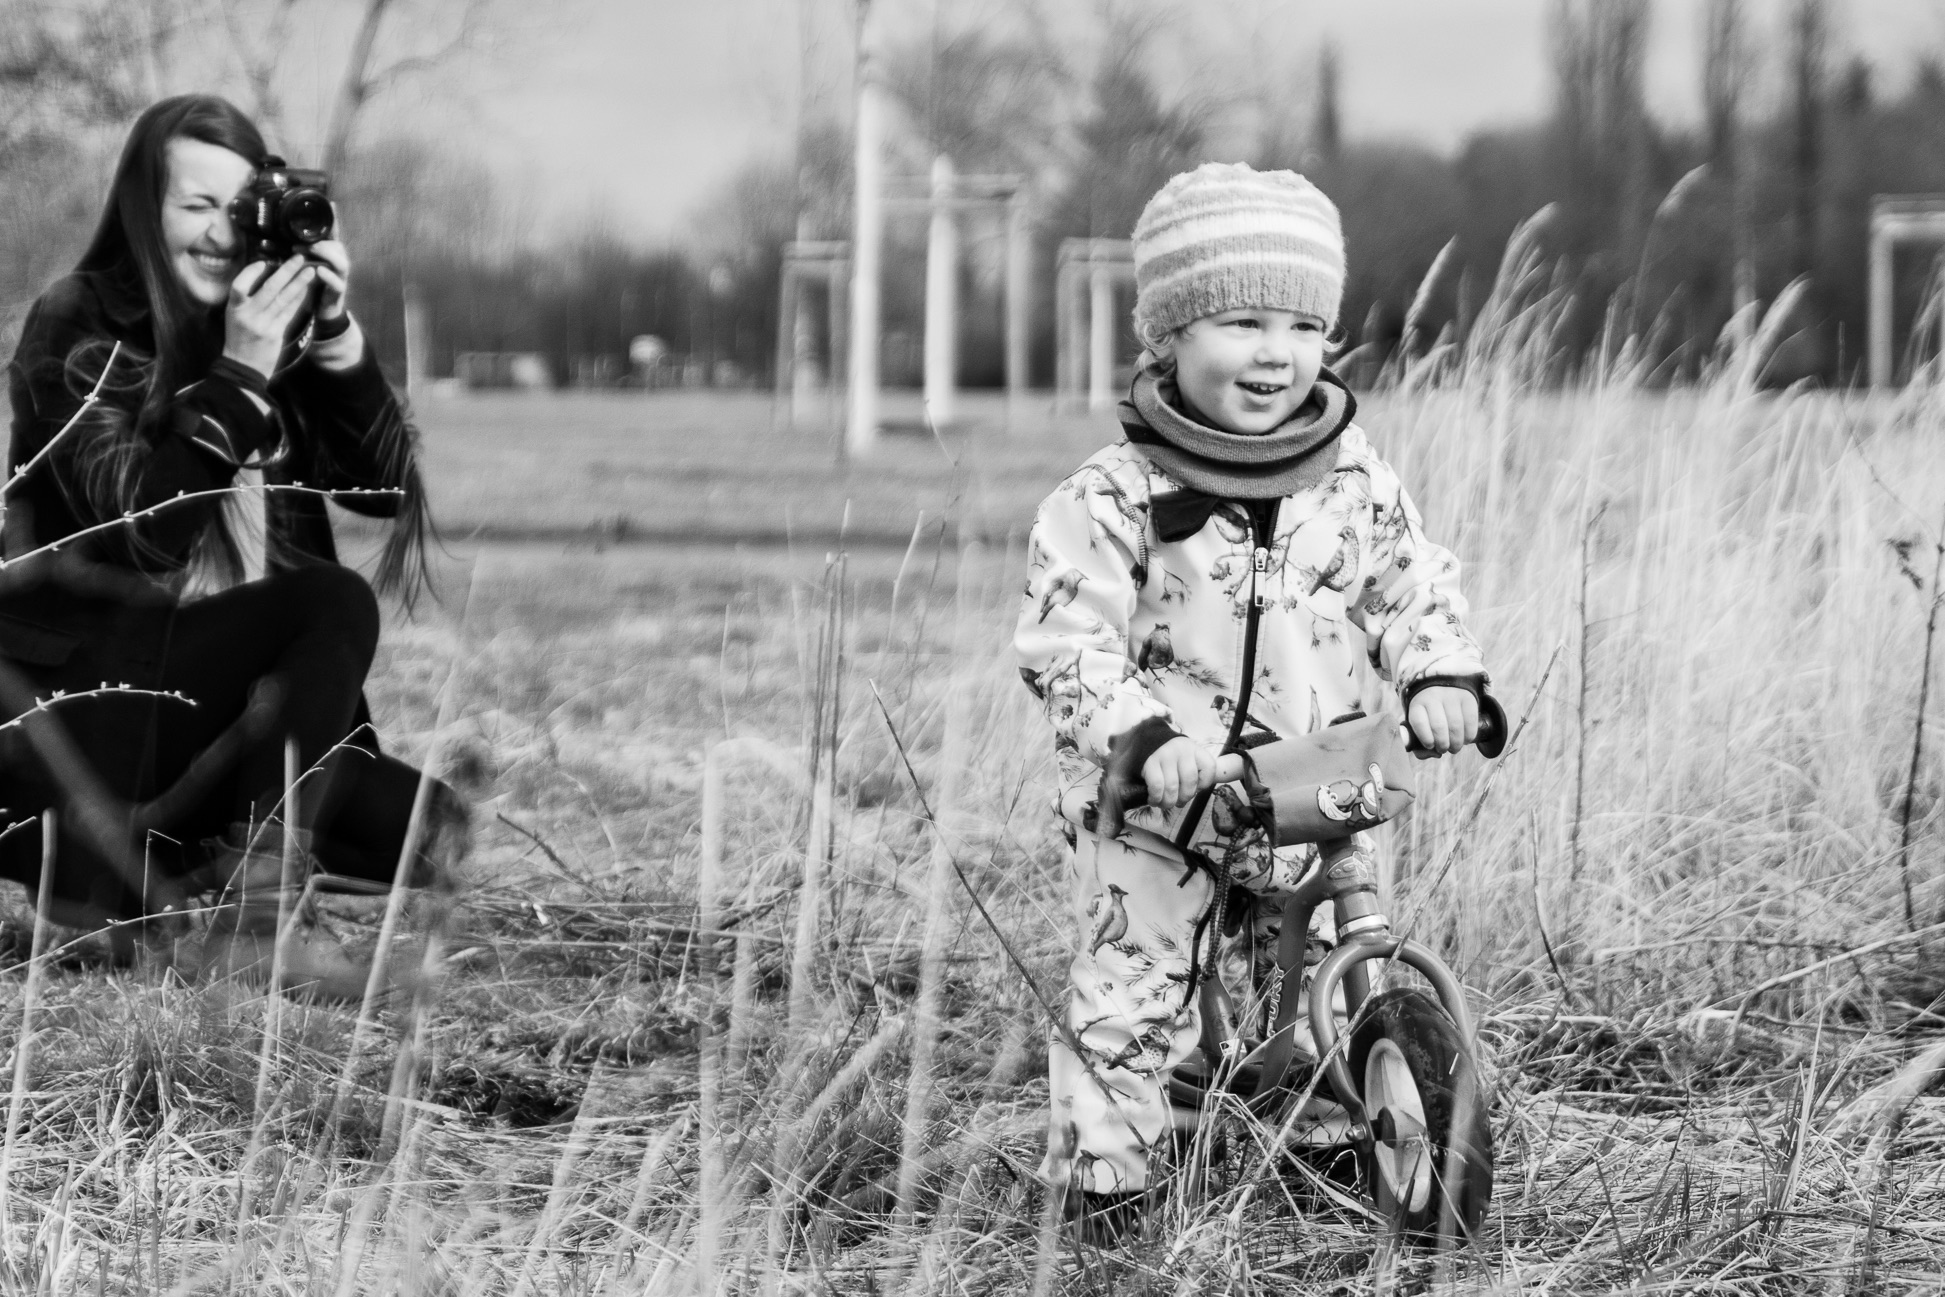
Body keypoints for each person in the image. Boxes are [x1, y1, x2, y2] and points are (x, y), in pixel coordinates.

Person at [1014, 162, 1492, 1242]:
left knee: (1320, 967)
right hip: (1162, 796)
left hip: (1314, 782)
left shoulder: (1351, 478)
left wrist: (1441, 676)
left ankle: (1331, 1135)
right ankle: (1104, 1185)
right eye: (1241, 321)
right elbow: (1064, 638)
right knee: (1135, 984)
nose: (1276, 352)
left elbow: (1411, 586)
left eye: (1302, 325)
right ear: (1170, 334)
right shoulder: (1111, 494)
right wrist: (1140, 735)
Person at [0, 94, 467, 993]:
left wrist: (335, 340)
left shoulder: (270, 323)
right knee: (332, 597)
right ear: (144, 210)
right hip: (95, 712)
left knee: (440, 832)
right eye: (196, 205)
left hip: (240, 727)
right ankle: (249, 915)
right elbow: (137, 533)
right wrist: (240, 374)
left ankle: (192, 870)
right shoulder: (78, 322)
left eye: (242, 206)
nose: (223, 233)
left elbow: (380, 489)